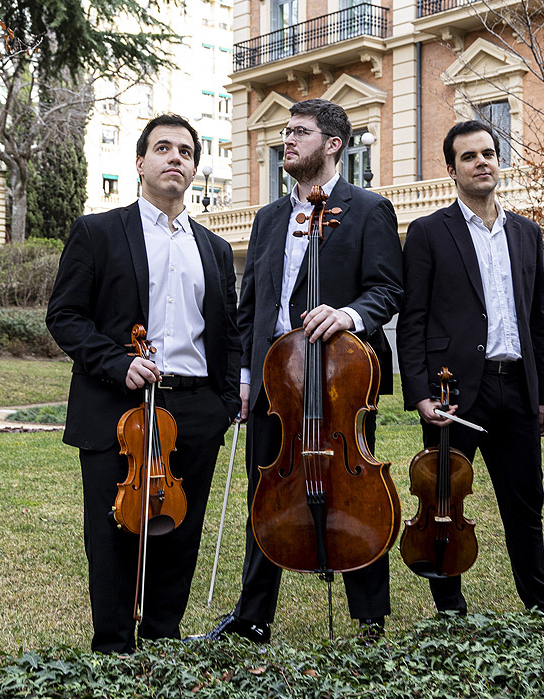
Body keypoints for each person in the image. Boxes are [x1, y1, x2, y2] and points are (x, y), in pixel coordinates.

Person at [204, 98, 404, 643]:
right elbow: (253, 306)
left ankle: (368, 620)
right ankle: (251, 618)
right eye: (285, 132)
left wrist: (348, 314)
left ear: (333, 144)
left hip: (341, 379)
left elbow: (388, 289)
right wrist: (245, 376)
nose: (287, 141)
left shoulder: (367, 209)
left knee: (354, 488)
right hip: (275, 378)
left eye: (300, 132)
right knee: (265, 489)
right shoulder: (269, 217)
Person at [46, 114, 241, 653]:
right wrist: (115, 362)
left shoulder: (215, 248)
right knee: (112, 534)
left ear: (196, 168)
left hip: (197, 408)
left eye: (185, 151)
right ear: (140, 162)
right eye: (163, 148)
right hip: (118, 405)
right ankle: (112, 646)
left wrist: (224, 404)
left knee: (178, 531)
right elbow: (64, 317)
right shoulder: (97, 231)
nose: (175, 158)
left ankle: (162, 636)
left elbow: (227, 330)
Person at [396, 120, 544, 615]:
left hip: (517, 388)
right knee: (442, 503)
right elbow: (413, 321)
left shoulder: (528, 233)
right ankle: (449, 607)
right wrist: (420, 393)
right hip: (453, 392)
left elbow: (537, 321)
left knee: (525, 503)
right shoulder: (427, 232)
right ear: (452, 169)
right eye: (469, 156)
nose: (482, 162)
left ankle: (538, 600)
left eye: (488, 153)